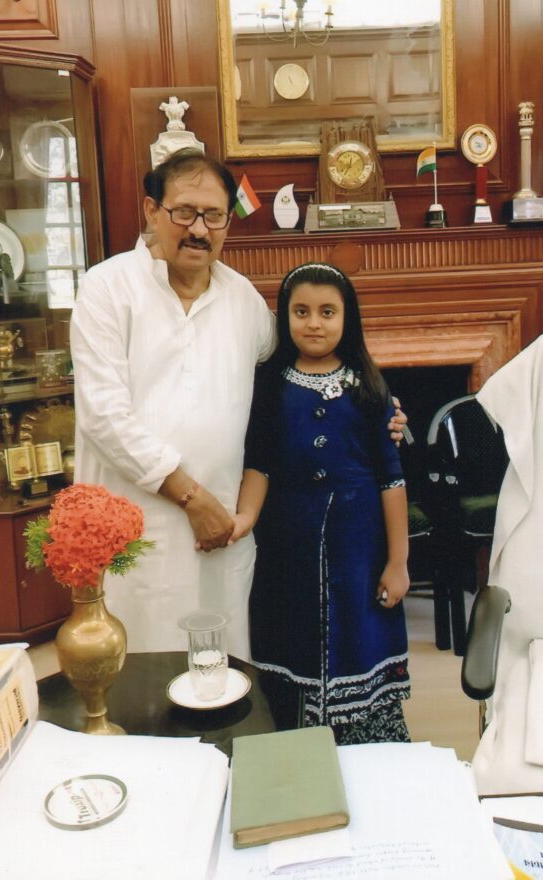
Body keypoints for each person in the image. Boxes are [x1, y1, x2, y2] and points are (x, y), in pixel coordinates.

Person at [70, 152, 406, 658]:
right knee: (140, 668)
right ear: (152, 210)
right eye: (184, 212)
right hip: (141, 527)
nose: (199, 230)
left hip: (222, 530)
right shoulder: (107, 289)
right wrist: (191, 498)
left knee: (222, 671)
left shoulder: (243, 299)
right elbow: (103, 416)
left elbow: (298, 370)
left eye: (214, 216)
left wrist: (371, 408)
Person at [232, 262, 411, 743]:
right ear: (284, 317)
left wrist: (398, 562)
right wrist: (245, 517)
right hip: (286, 543)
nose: (314, 323)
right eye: (301, 312)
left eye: (327, 312)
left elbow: (391, 479)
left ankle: (366, 749)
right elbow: (260, 463)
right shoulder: (269, 384)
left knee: (358, 633)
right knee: (290, 636)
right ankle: (296, 749)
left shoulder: (368, 387)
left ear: (348, 318)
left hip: (359, 546)